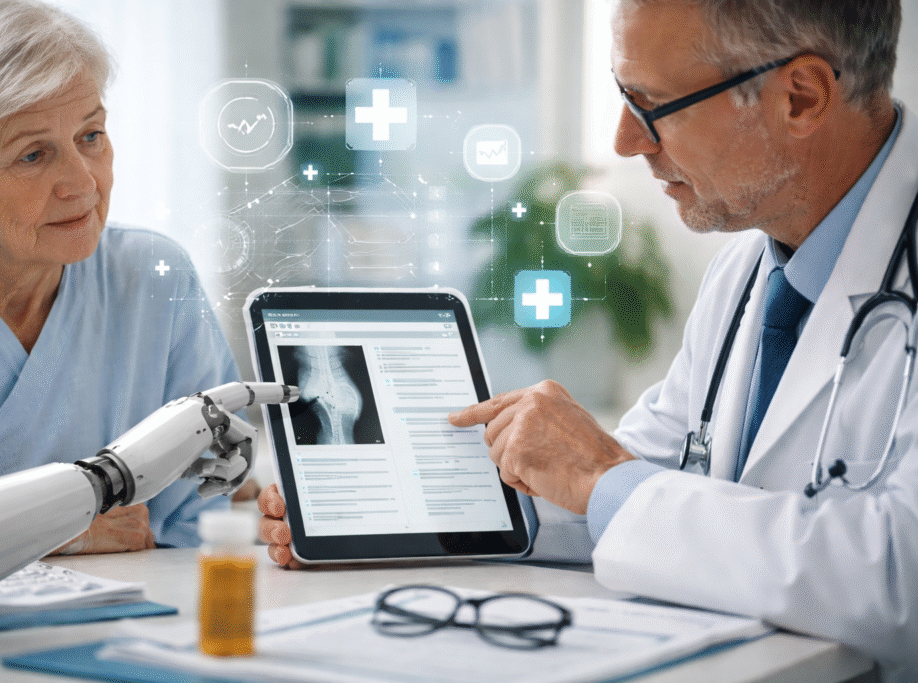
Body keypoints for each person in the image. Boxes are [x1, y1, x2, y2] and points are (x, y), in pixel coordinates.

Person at [260, 0, 918, 678]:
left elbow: (900, 577)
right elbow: (651, 476)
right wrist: (401, 517)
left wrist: (597, 475)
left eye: (653, 104)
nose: (626, 141)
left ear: (800, 97)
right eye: (623, 96)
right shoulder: (749, 272)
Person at [0, 0, 240, 553]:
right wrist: (49, 527)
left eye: (91, 136)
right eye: (33, 155)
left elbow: (201, 513)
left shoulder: (153, 278)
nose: (82, 183)